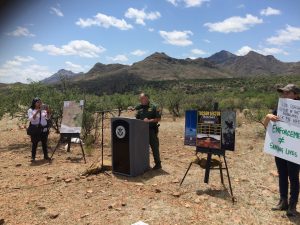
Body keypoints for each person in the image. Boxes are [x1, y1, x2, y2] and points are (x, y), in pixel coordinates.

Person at [263, 84, 300, 217]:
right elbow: (266, 127)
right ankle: (282, 201)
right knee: (282, 174)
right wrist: (268, 117)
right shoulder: (280, 108)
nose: (284, 95)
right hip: (281, 149)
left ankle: (292, 205)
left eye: (287, 93)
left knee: (294, 177)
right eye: (283, 93)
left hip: (295, 151)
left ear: (296, 95)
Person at [135, 93, 162, 170]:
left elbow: (158, 119)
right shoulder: (139, 107)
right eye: (140, 99)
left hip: (151, 130)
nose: (141, 100)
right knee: (141, 147)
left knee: (154, 147)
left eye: (142, 98)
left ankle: (158, 164)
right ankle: (142, 163)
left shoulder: (154, 106)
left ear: (147, 98)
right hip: (141, 131)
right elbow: (137, 118)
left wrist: (149, 121)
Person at [28, 97, 51, 162]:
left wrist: (48, 110)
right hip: (36, 129)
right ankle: (33, 157)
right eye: (38, 102)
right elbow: (31, 119)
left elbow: (48, 117)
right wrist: (38, 111)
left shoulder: (43, 110)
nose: (40, 103)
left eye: (40, 102)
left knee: (44, 143)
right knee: (35, 143)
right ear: (34, 103)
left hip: (44, 129)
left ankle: (46, 156)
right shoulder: (31, 110)